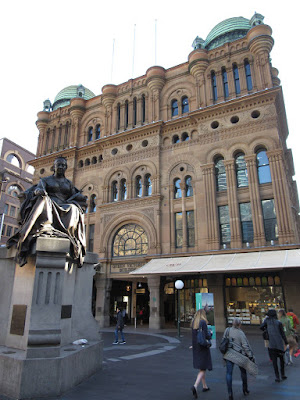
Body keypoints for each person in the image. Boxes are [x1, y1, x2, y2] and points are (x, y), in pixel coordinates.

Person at [7, 157, 87, 266]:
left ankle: (64, 232)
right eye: (59, 165)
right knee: (43, 201)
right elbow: (37, 190)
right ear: (53, 167)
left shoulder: (68, 183)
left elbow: (74, 195)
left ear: (66, 168)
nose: (61, 167)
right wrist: (38, 191)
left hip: (65, 205)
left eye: (63, 165)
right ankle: (28, 233)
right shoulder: (45, 180)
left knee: (74, 208)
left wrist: (81, 197)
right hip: (49, 203)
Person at [222, 317, 256, 400]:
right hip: (239, 354)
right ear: (239, 324)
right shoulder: (240, 333)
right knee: (243, 372)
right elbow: (245, 345)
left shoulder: (227, 330)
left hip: (229, 353)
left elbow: (223, 340)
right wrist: (250, 355)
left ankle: (230, 393)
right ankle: (245, 389)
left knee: (229, 373)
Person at [260, 309, 288, 382]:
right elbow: (282, 334)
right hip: (279, 343)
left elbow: (261, 327)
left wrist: (266, 330)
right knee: (282, 360)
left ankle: (277, 376)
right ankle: (283, 374)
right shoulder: (278, 323)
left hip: (272, 344)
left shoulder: (267, 321)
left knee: (274, 362)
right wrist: (286, 342)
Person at [190, 309, 212, 399]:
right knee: (203, 368)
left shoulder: (194, 323)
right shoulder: (203, 323)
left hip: (196, 348)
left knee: (202, 367)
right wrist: (210, 334)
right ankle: (195, 385)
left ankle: (204, 386)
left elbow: (195, 337)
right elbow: (206, 336)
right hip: (202, 347)